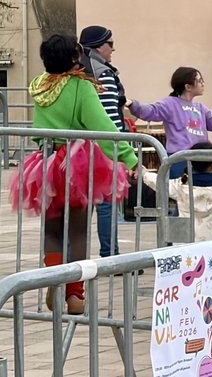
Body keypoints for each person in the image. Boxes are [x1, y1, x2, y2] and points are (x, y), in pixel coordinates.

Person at [9, 35, 138, 313]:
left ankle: (53, 282)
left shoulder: (40, 86)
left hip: (45, 163)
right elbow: (101, 126)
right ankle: (74, 295)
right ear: (73, 58)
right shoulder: (80, 87)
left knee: (52, 230)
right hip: (78, 164)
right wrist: (129, 157)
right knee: (78, 231)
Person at [130, 67, 212, 179]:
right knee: (182, 196)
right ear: (188, 86)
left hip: (202, 161)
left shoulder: (200, 108)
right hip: (179, 161)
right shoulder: (170, 104)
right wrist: (131, 104)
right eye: (199, 80)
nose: (203, 83)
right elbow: (150, 111)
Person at [79, 24, 127, 258]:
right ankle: (110, 255)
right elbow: (108, 116)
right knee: (106, 205)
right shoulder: (103, 74)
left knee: (81, 206)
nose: (113, 49)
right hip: (104, 149)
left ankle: (74, 259)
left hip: (79, 151)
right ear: (98, 46)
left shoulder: (79, 70)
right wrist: (121, 148)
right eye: (110, 44)